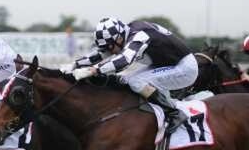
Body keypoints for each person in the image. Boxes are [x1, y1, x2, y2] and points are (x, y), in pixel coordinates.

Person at [63, 17, 198, 134]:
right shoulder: (124, 35)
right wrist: (74, 65)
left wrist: (93, 70)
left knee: (136, 82)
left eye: (110, 47)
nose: (109, 51)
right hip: (166, 63)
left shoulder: (139, 35)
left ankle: (174, 114)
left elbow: (124, 61)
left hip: (184, 67)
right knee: (126, 80)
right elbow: (100, 54)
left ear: (119, 38)